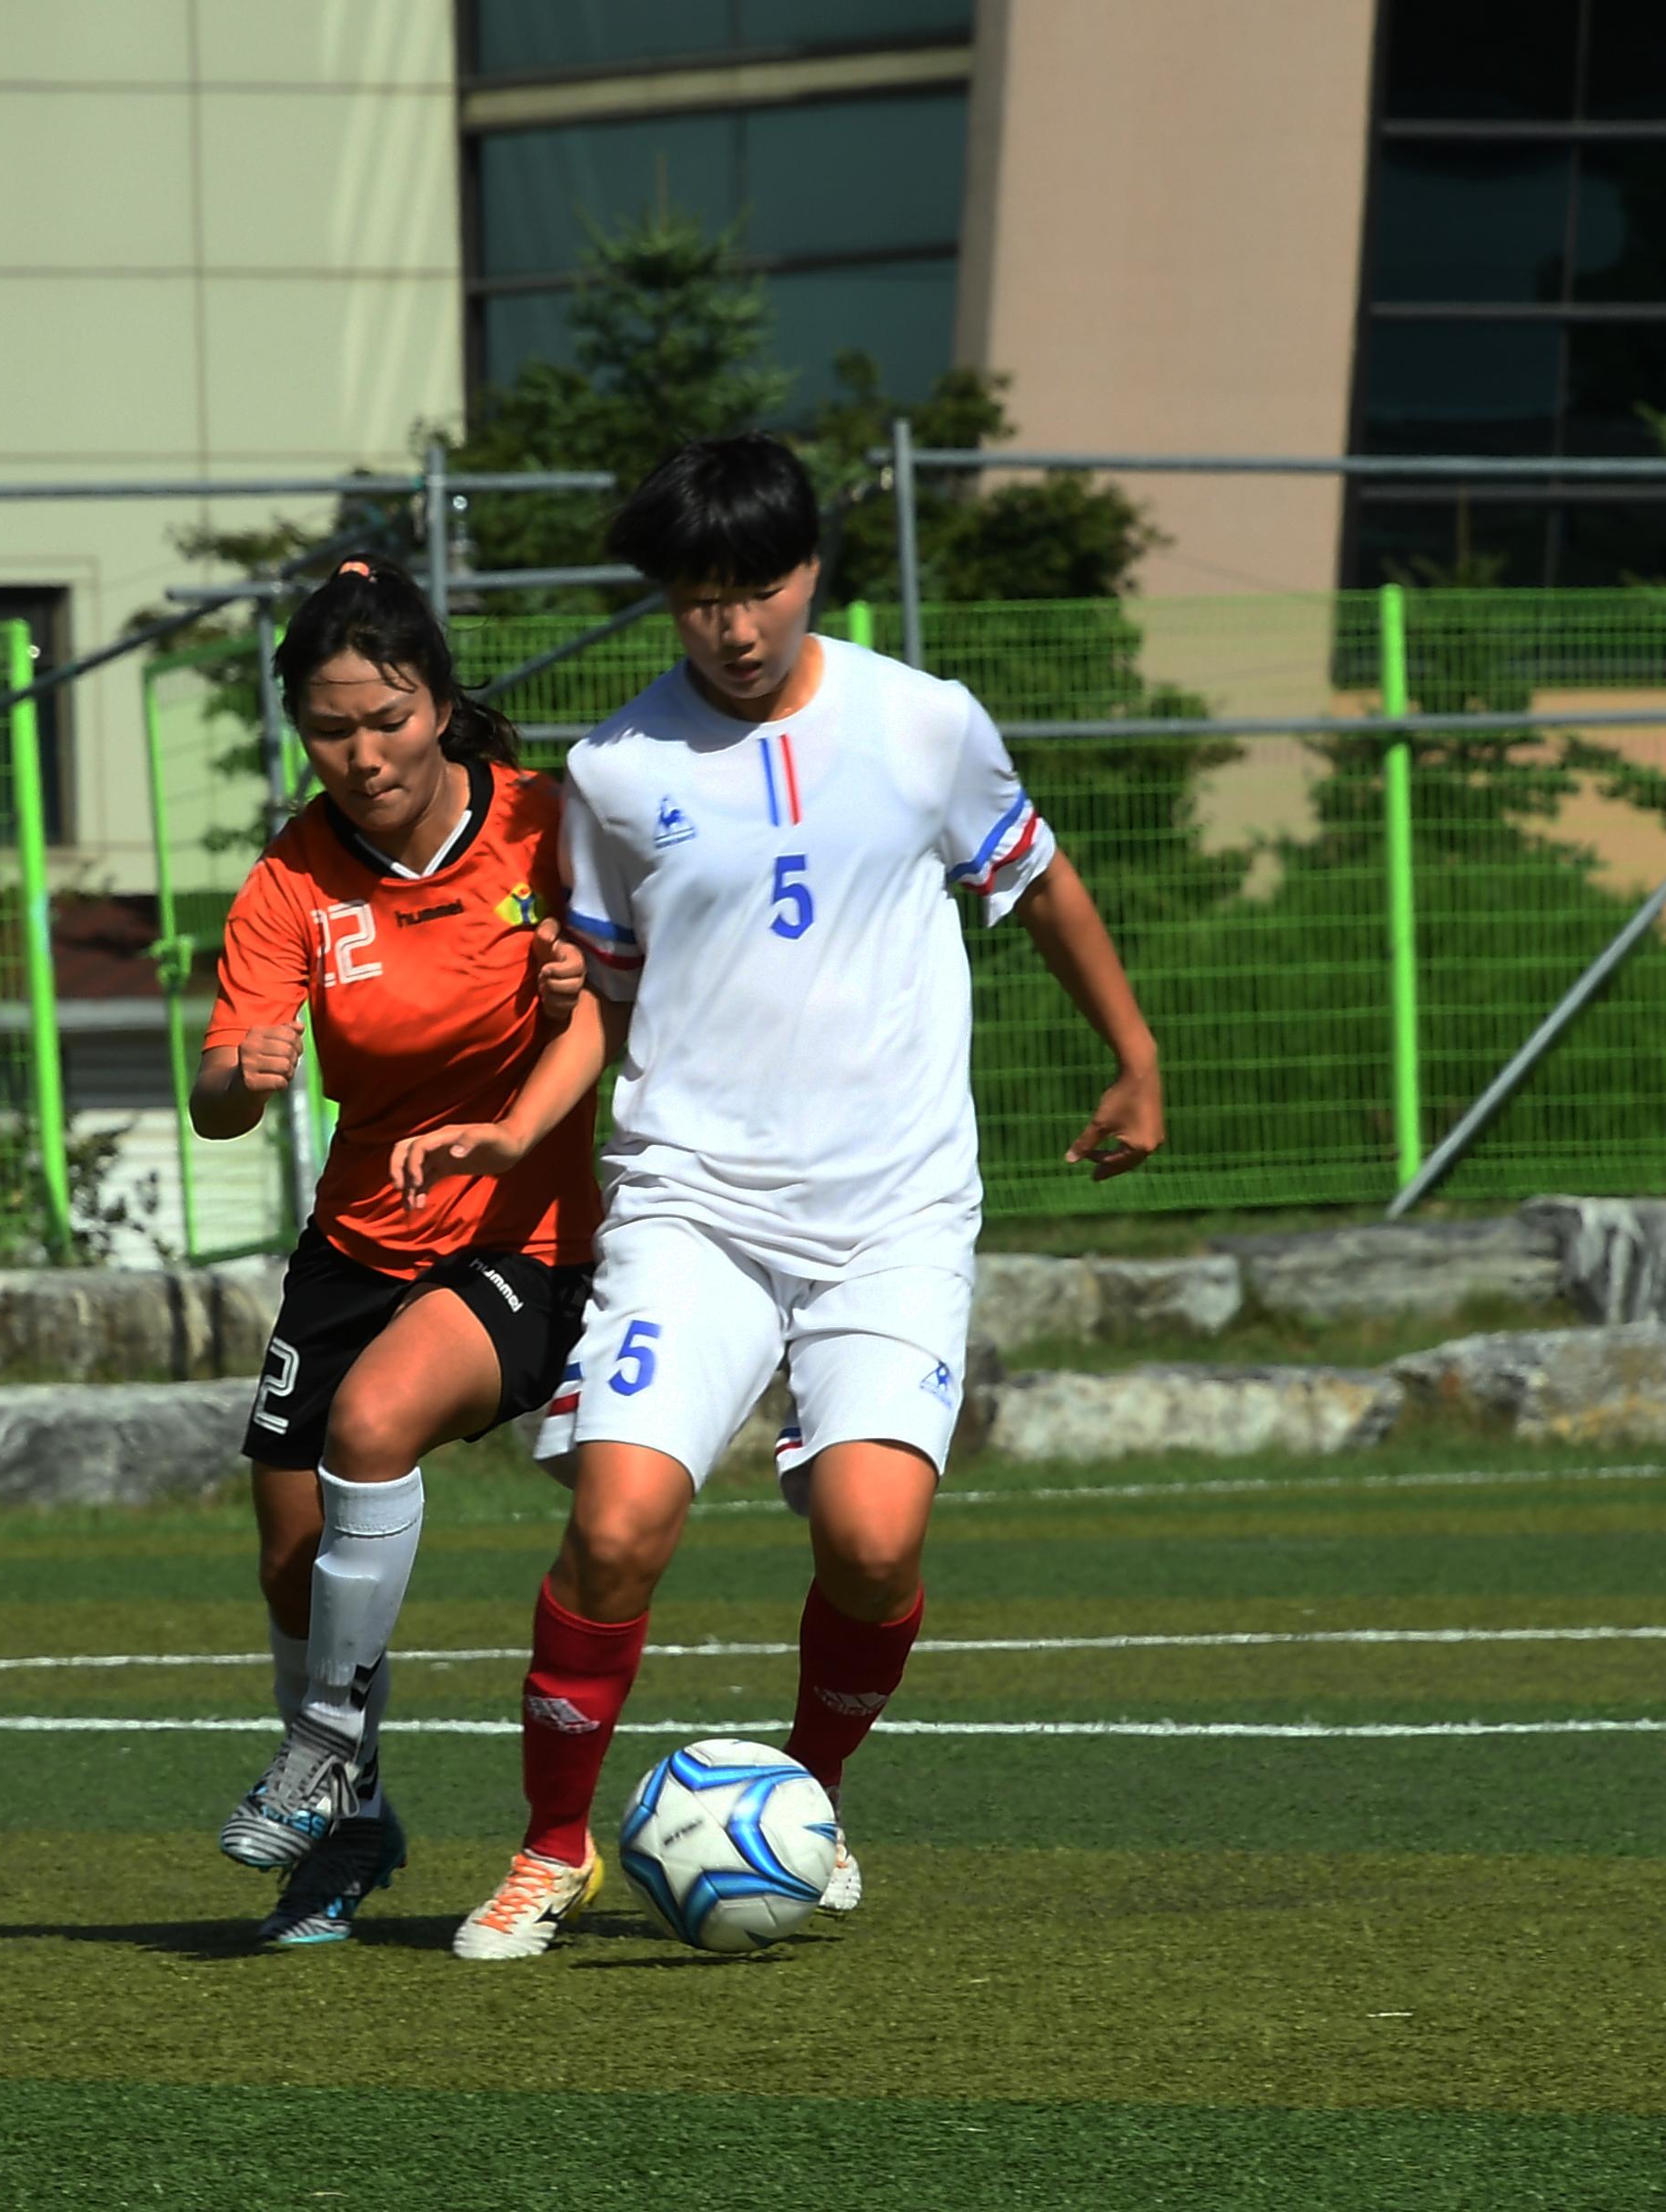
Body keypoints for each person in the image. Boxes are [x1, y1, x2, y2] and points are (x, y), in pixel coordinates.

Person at [450, 435, 1164, 1960]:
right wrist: (520, 1128)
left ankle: (808, 1800)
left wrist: (1134, 1054)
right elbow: (602, 999)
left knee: (873, 1541)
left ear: (811, 571)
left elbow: (1037, 881)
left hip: (892, 1212)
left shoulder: (924, 724)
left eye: (761, 587)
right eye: (702, 597)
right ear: (667, 602)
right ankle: (549, 1846)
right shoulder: (614, 771)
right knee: (621, 1524)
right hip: (693, 1204)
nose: (736, 624)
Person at [195, 558, 607, 1946]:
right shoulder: (289, 882)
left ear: (440, 702)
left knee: (371, 1422)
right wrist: (240, 1076)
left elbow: (647, 983)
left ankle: (314, 1754)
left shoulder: (550, 827)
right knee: (287, 1559)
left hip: (525, 1231)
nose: (363, 754)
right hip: (356, 1237)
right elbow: (214, 1100)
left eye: (388, 716)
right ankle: (357, 1824)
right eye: (329, 726)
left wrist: (584, 976)